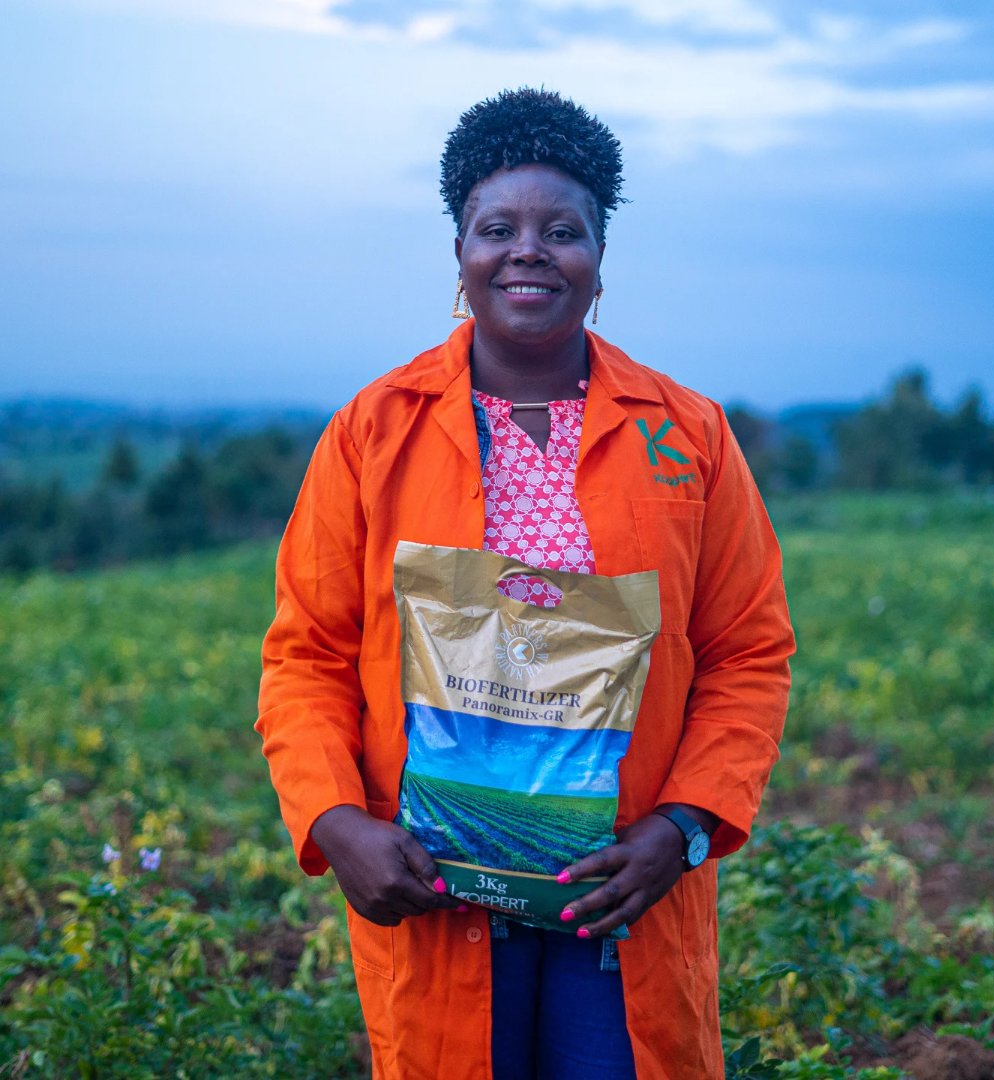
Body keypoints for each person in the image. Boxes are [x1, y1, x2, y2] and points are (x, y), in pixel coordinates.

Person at [257, 87, 794, 1079]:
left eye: (563, 230)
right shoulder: (373, 432)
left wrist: (680, 829)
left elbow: (748, 652)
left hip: (620, 887)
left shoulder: (689, 437)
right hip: (434, 884)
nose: (528, 250)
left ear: (600, 259)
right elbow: (307, 655)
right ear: (459, 255)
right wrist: (338, 825)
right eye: (496, 227)